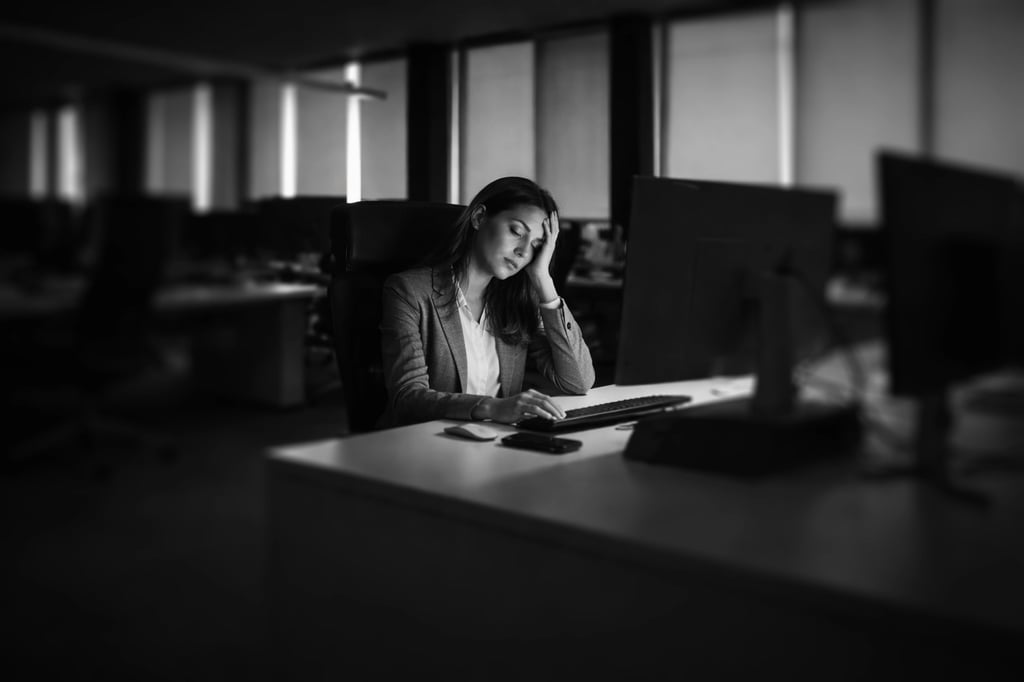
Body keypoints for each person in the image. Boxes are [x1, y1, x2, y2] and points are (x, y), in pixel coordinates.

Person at [379, 176, 595, 427]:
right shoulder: (410, 292)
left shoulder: (518, 303)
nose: (524, 252)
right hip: (427, 446)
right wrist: (493, 407)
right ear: (479, 217)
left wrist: (542, 278)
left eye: (536, 246)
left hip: (494, 445)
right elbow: (407, 399)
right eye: (516, 231)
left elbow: (578, 380)